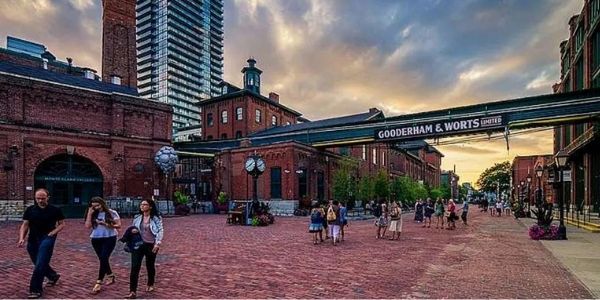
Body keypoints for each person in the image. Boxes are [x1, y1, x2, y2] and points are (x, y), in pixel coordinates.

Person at [18, 188, 65, 299]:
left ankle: (35, 289)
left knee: (40, 262)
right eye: (38, 198)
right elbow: (25, 225)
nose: (40, 200)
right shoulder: (30, 210)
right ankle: (52, 276)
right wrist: (21, 238)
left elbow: (62, 224)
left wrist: (53, 232)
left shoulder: (55, 210)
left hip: (48, 238)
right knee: (37, 261)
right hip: (33, 238)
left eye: (42, 198)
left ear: (47, 198)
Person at [125, 199, 164, 299]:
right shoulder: (137, 217)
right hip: (138, 245)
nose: (142, 206)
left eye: (145, 204)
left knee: (150, 265)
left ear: (150, 206)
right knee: (135, 267)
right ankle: (132, 291)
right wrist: (133, 231)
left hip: (150, 244)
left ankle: (150, 283)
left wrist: (158, 243)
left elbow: (160, 230)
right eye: (141, 204)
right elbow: (133, 228)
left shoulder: (155, 218)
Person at [84, 197, 121, 294]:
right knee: (102, 259)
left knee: (104, 257)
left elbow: (119, 225)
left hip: (110, 237)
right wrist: (89, 213)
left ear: (102, 204)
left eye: (98, 205)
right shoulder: (93, 214)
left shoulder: (111, 212)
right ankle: (110, 274)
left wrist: (106, 224)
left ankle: (99, 282)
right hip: (96, 238)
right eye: (94, 206)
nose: (96, 208)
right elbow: (87, 226)